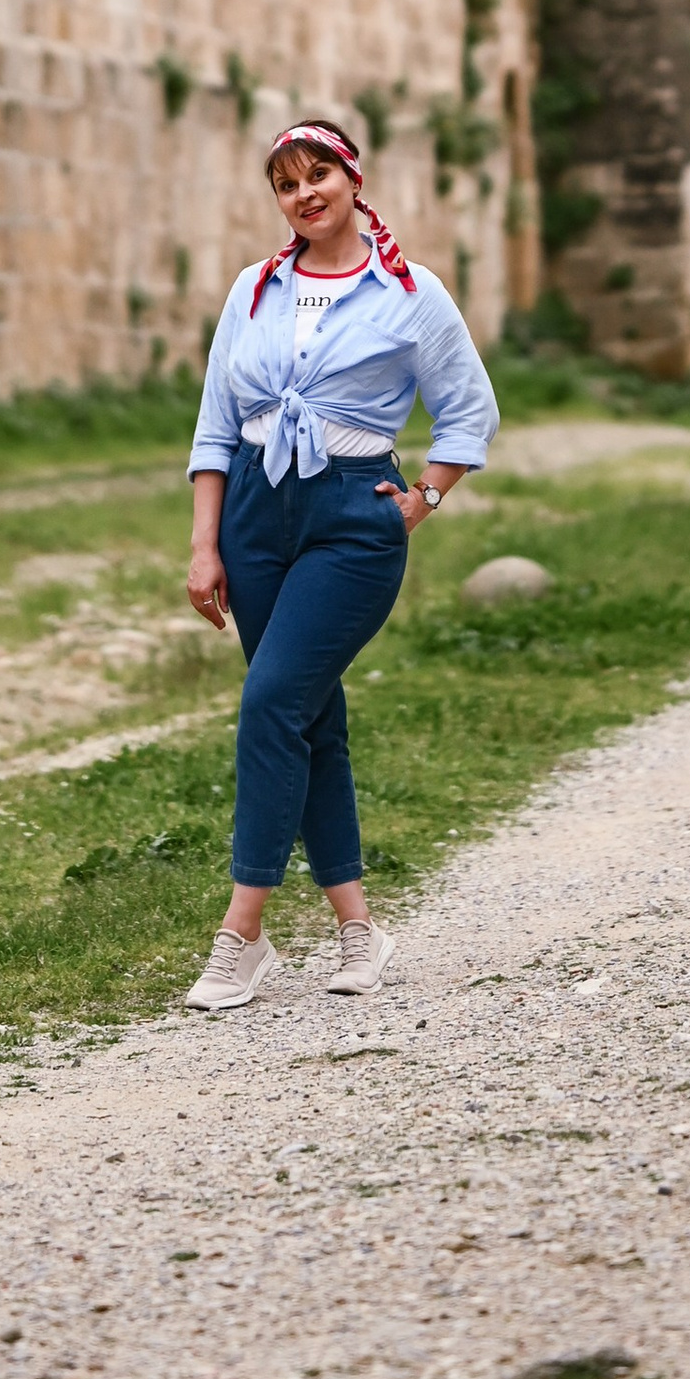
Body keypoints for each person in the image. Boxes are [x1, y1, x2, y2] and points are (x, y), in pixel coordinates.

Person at [180, 116, 499, 1008]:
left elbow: (469, 410)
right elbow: (214, 427)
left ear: (353, 179)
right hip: (252, 514)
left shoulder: (412, 293)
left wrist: (424, 497)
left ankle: (241, 935)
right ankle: (358, 930)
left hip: (351, 520)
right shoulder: (254, 289)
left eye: (319, 174)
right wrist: (206, 545)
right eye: (286, 183)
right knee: (311, 720)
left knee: (272, 702)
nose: (304, 193)